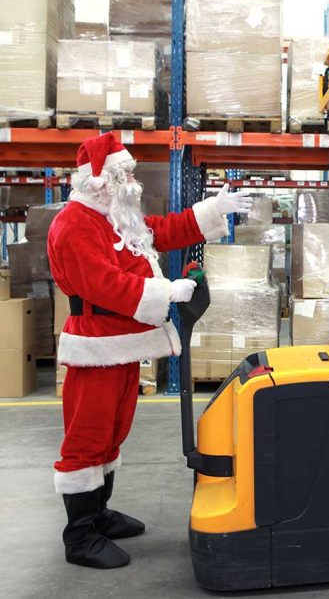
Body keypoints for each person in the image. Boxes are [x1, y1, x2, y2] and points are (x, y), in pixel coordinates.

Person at [47, 133, 252, 569]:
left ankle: (98, 513)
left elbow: (162, 230)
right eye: (123, 173)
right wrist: (166, 291)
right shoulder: (73, 225)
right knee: (87, 437)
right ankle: (79, 535)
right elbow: (103, 284)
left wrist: (213, 212)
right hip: (96, 346)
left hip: (123, 344)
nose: (132, 180)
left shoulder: (115, 216)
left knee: (113, 431)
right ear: (97, 181)